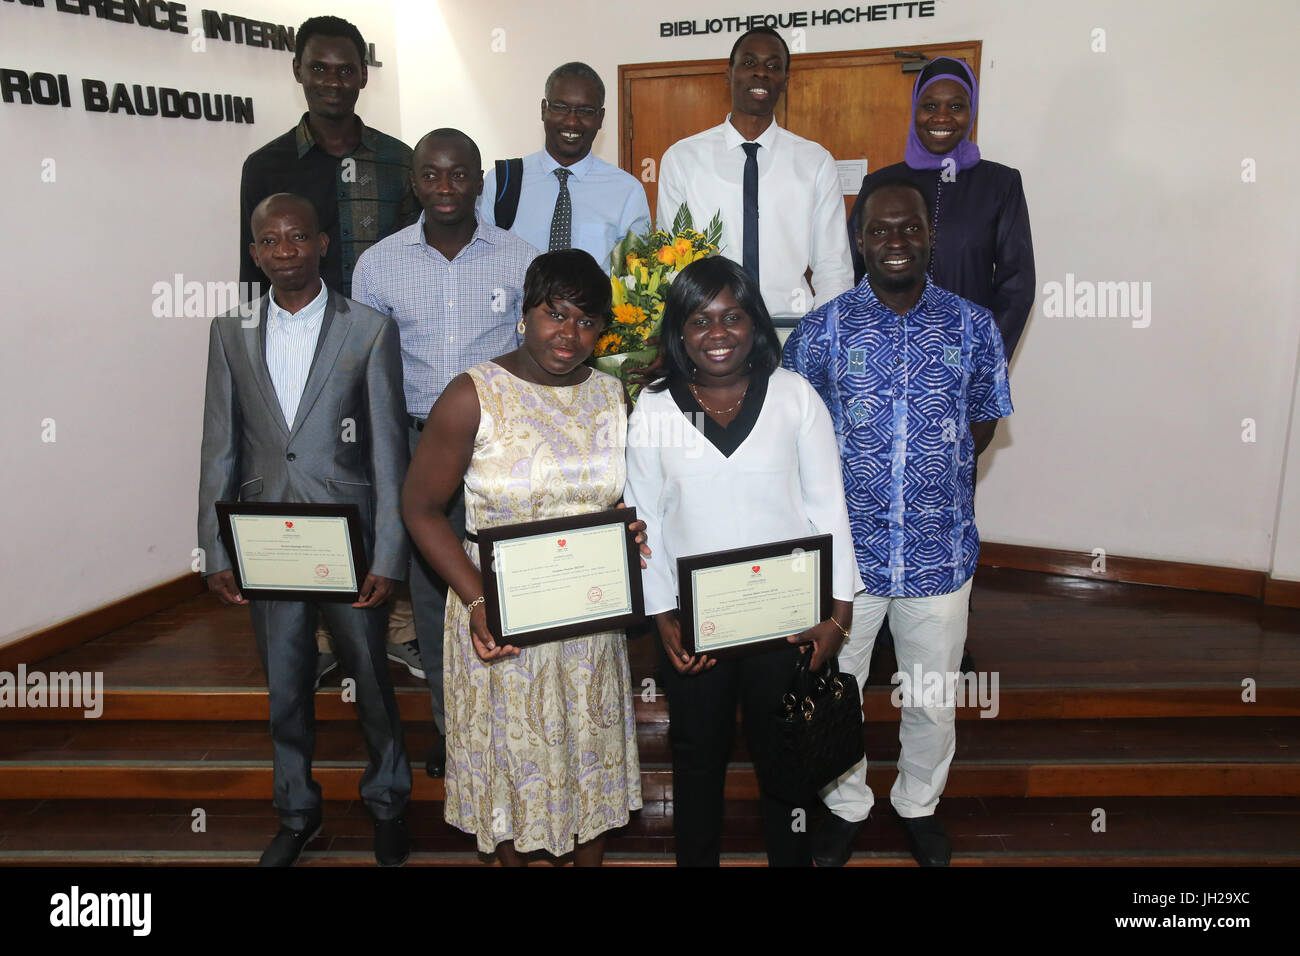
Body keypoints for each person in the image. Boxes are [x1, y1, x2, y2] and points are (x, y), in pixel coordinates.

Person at [783, 178, 1014, 867]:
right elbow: (800, 435)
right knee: (838, 693)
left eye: (908, 228)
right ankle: (846, 801)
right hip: (849, 560)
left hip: (940, 552)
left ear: (929, 235)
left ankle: (918, 802)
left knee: (933, 695)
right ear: (859, 242)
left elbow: (982, 419)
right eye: (879, 231)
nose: (894, 242)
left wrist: (926, 476)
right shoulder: (822, 330)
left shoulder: (974, 325)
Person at [401, 250, 643, 865]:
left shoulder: (611, 395)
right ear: (525, 313)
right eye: (554, 315)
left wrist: (625, 534)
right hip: (499, 616)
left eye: (587, 322)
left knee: (590, 761)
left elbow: (608, 500)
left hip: (587, 621)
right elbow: (421, 508)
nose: (569, 335)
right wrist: (479, 600)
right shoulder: (472, 394)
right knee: (514, 769)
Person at [623, 256, 859, 867]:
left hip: (786, 622)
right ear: (679, 332)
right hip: (694, 628)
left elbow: (829, 508)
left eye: (732, 316)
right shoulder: (654, 408)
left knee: (786, 762)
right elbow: (643, 520)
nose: (718, 332)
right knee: (697, 759)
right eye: (700, 320)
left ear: (755, 324)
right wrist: (663, 617)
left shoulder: (794, 397)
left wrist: (836, 617)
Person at [198, 193, 412, 867]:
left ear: (323, 243)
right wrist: (214, 546)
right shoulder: (230, 329)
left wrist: (389, 553)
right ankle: (296, 811)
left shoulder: (369, 328)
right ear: (255, 250)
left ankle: (387, 802)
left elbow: (386, 450)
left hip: (348, 540)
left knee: (371, 680)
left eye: (297, 237)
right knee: (285, 685)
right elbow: (219, 444)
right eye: (270, 240)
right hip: (265, 540)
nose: (284, 250)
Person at [238, 13, 422, 684]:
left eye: (346, 69)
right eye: (320, 68)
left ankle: (394, 624)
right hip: (294, 352)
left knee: (379, 480)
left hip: (379, 348)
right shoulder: (267, 165)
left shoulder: (401, 160)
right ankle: (314, 634)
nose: (333, 81)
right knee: (304, 481)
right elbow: (245, 271)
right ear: (299, 73)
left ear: (363, 75)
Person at [353, 128, 539, 779]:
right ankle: (450, 723)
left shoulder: (520, 258)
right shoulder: (377, 265)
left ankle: (512, 716)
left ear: (479, 179)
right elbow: (368, 371)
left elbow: (539, 354)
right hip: (416, 443)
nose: (445, 188)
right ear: (414, 181)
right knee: (435, 592)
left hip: (501, 447)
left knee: (503, 578)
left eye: (458, 174)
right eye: (430, 175)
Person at [846, 56, 1034, 681]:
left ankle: (943, 635)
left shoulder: (1001, 184)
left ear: (971, 111)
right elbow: (856, 277)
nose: (943, 117)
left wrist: (980, 367)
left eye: (957, 105)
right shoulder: (885, 179)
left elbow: (1017, 284)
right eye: (931, 104)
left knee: (948, 503)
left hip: (956, 380)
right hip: (877, 374)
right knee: (870, 497)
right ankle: (873, 638)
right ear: (914, 111)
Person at [655, 27, 853, 322]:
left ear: (785, 81)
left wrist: (827, 334)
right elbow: (671, 263)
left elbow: (832, 266)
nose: (761, 73)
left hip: (790, 327)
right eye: (749, 63)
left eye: (773, 66)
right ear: (728, 73)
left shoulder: (815, 162)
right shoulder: (682, 159)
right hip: (710, 327)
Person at [479, 62, 650, 269]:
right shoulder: (502, 182)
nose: (571, 122)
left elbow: (636, 279)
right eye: (561, 107)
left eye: (585, 111)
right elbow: (481, 263)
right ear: (544, 110)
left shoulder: (627, 191)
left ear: (600, 118)